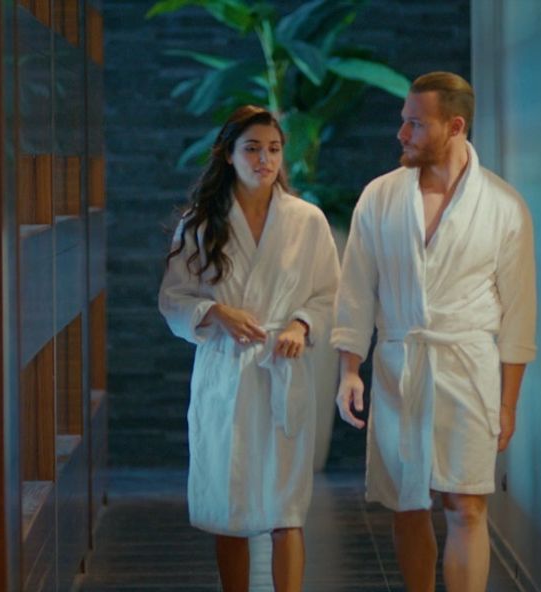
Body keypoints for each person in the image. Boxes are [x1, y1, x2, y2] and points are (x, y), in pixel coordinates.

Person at [331, 72, 536, 592]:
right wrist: (349, 369)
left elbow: (519, 313)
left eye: (416, 124)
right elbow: (355, 289)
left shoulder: (504, 206)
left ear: (456, 126)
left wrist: (508, 403)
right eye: (404, 121)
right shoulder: (379, 197)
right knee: (408, 502)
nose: (402, 133)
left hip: (468, 367)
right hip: (400, 365)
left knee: (466, 504)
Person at [158, 105, 340, 592]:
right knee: (230, 508)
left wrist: (300, 324)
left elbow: (329, 293)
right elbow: (173, 299)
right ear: (228, 154)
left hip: (282, 371)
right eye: (253, 149)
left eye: (274, 149)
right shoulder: (201, 223)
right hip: (226, 375)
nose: (265, 160)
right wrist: (217, 312)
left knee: (287, 510)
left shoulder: (307, 221)